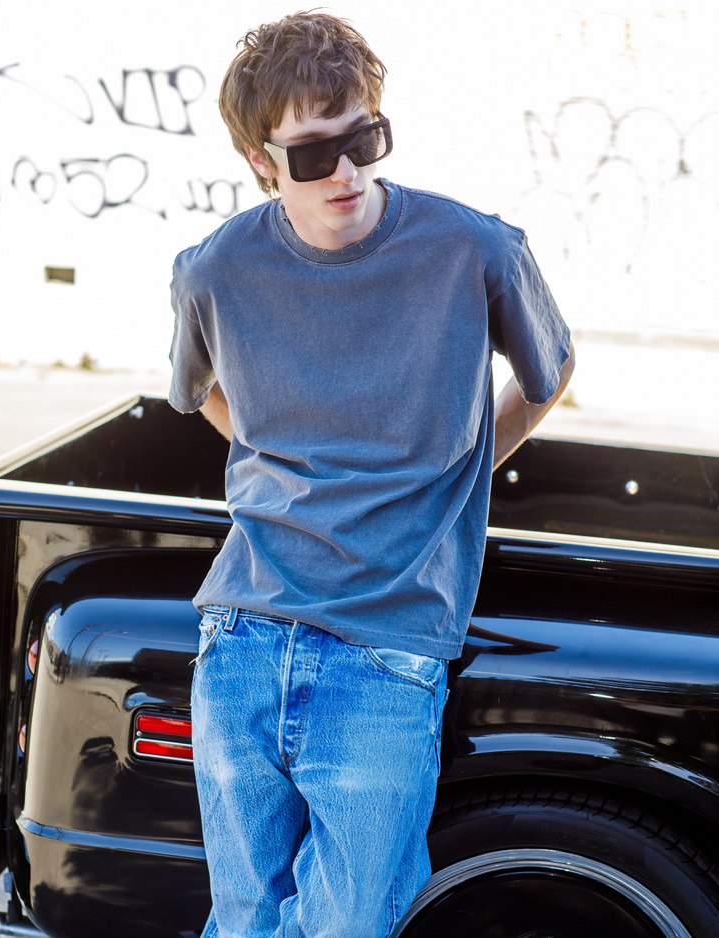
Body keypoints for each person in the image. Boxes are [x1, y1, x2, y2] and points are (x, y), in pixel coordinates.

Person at [168, 11, 574, 938]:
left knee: (351, 926)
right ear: (259, 158)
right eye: (313, 155)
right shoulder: (215, 269)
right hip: (242, 637)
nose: (346, 173)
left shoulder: (475, 250)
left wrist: (456, 467)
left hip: (387, 648)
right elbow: (201, 397)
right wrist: (277, 456)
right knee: (243, 921)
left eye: (365, 140)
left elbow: (548, 376)